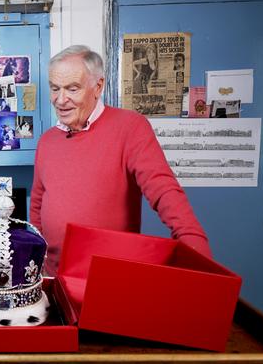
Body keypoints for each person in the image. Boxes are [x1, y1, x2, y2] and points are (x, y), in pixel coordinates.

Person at [30, 45, 210, 275]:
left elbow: (162, 188)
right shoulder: (47, 141)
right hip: (55, 274)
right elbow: (37, 204)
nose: (60, 99)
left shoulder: (130, 127)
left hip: (108, 276)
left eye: (72, 89)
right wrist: (35, 261)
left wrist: (191, 237)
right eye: (55, 89)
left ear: (98, 86)